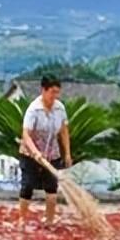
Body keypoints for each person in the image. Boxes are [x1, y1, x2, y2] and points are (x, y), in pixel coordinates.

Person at [18, 75, 72, 229]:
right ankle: (22, 220)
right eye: (52, 92)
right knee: (27, 185)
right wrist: (35, 153)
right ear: (44, 90)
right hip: (30, 153)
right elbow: (26, 135)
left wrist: (67, 153)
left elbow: (63, 131)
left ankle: (49, 221)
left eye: (57, 92)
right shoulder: (33, 110)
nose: (55, 96)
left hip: (51, 152)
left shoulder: (60, 108)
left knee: (51, 187)